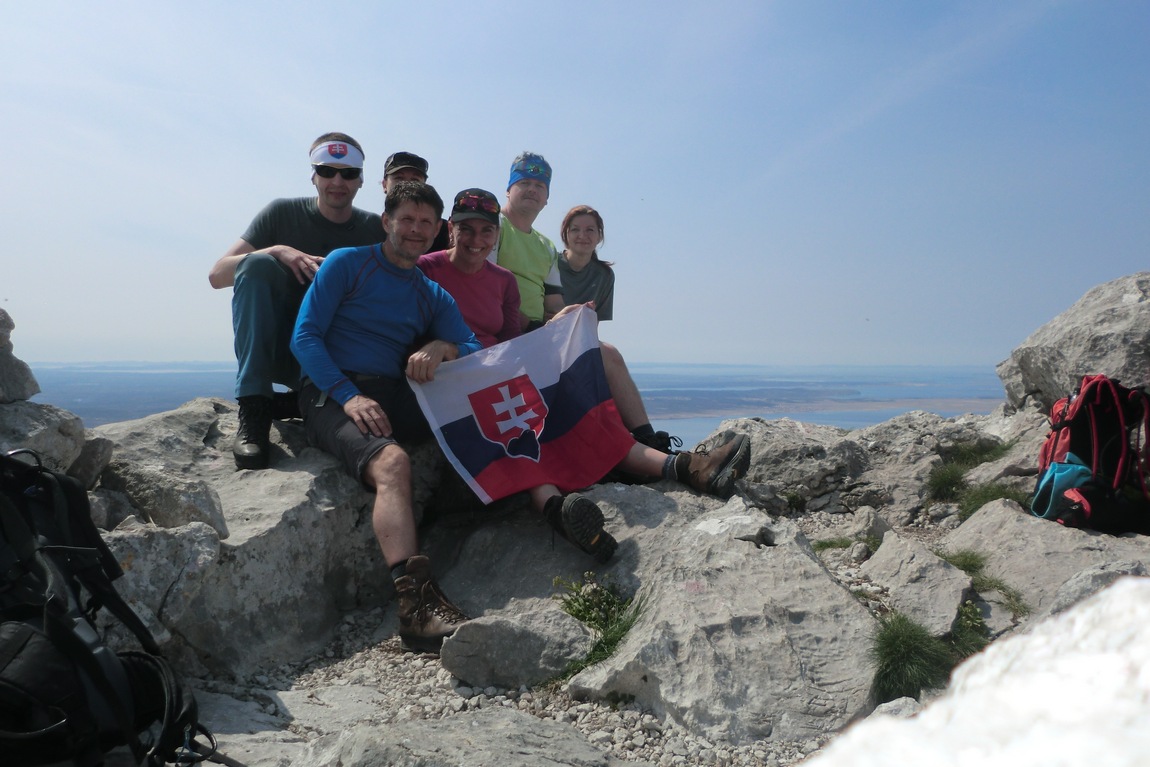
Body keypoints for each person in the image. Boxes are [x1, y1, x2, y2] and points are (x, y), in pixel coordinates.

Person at [422, 189, 751, 563]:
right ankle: (559, 510)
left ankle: (687, 468)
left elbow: (512, 342)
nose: (476, 240)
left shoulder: (503, 281)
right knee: (520, 436)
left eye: (486, 231)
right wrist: (440, 348)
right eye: (466, 229)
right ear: (451, 229)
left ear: (496, 235)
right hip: (454, 387)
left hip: (500, 375)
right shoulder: (427, 270)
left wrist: (556, 330)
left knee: (579, 417)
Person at [291, 181, 482, 654]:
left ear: (438, 231)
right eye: (406, 219)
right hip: (330, 392)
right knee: (393, 463)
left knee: (474, 412)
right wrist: (348, 395)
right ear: (386, 222)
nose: (415, 230)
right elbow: (305, 337)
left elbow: (474, 348)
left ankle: (494, 511)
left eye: (425, 222)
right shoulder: (347, 264)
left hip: (393, 392)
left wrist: (443, 346)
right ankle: (415, 608)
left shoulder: (431, 293)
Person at [209, 133, 384, 471]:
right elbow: (218, 275)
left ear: (361, 180)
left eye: (348, 173)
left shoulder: (374, 230)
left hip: (337, 357)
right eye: (327, 171)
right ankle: (255, 408)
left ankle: (301, 401)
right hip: (280, 347)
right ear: (313, 176)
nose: (337, 182)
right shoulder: (281, 213)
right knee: (255, 265)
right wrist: (276, 250)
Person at [492, 152, 676, 454]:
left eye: (540, 185)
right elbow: (483, 287)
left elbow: (553, 305)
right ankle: (632, 450)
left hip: (541, 334)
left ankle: (647, 442)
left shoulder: (545, 246)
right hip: (510, 335)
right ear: (509, 189)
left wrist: (567, 322)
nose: (532, 190)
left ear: (547, 198)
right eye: (524, 182)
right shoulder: (493, 227)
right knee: (598, 361)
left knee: (606, 354)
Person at [381, 151, 450, 253]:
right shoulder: (369, 228)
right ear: (384, 184)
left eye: (415, 180)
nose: (406, 185)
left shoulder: (444, 233)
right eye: (399, 178)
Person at [559, 205, 614, 322]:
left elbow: (594, 323)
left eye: (590, 230)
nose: (582, 236)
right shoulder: (550, 263)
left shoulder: (604, 275)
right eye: (575, 229)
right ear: (566, 234)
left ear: (599, 236)